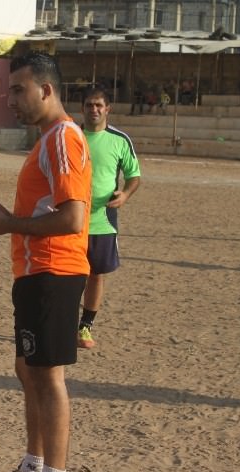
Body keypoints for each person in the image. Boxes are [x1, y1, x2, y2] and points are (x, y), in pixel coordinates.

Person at [0, 51, 91, 472]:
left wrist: (10, 225)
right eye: (9, 89)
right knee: (28, 370)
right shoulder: (47, 141)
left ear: (47, 90)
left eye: (19, 89)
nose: (11, 99)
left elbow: (73, 217)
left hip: (54, 271)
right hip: (34, 272)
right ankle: (33, 467)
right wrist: (10, 222)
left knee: (46, 376)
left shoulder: (64, 138)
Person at [77, 87, 141, 349]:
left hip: (103, 221)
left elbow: (134, 176)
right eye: (90, 105)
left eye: (99, 105)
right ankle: (62, 322)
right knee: (68, 274)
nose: (94, 109)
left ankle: (85, 327)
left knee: (96, 274)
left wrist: (125, 195)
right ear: (82, 108)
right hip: (70, 220)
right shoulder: (71, 136)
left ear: (107, 109)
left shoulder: (120, 140)